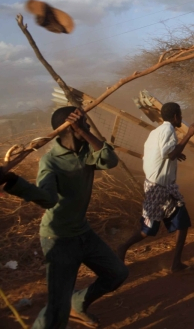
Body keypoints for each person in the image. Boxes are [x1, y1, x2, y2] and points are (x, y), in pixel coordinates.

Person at [0, 107, 127, 329]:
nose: (88, 128)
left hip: (83, 232)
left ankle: (76, 303)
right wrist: (12, 181)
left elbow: (110, 160)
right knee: (56, 310)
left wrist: (84, 132)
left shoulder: (86, 153)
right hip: (58, 238)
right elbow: (47, 199)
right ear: (70, 129)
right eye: (84, 125)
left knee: (117, 273)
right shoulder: (51, 162)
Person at [117, 102, 194, 273]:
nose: (181, 119)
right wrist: (189, 135)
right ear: (176, 117)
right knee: (147, 230)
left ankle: (176, 263)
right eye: (180, 116)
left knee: (182, 221)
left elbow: (160, 154)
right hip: (158, 187)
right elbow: (169, 153)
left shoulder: (156, 132)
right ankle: (122, 247)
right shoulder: (169, 131)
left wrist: (178, 152)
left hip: (162, 185)